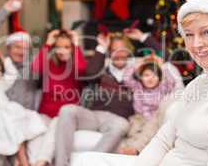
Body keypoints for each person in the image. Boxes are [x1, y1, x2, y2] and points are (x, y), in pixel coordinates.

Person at [71, 0, 208, 166]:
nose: (196, 44)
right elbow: (164, 138)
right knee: (84, 159)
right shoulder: (199, 83)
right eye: (189, 34)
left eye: (207, 32)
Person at [54, 29, 164, 166]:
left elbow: (162, 54)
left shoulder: (137, 74)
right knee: (67, 110)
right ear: (110, 52)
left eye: (122, 49)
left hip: (117, 120)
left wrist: (142, 37)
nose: (118, 53)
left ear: (129, 51)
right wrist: (101, 47)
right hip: (93, 115)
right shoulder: (101, 70)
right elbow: (89, 74)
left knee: (120, 124)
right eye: (114, 50)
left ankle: (89, 163)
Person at [0, 0, 41, 166]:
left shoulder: (33, 67)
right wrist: (6, 10)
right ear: (9, 47)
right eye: (18, 47)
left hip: (22, 122)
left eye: (26, 48)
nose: (21, 51)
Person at [0, 48, 46, 166]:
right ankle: (21, 161)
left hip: (3, 117)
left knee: (17, 128)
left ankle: (22, 161)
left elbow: (12, 74)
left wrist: (3, 59)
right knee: (12, 127)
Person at [28, 29, 87, 166]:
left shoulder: (76, 65)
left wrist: (76, 43)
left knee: (56, 124)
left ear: (72, 48)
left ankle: (41, 163)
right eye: (59, 47)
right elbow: (35, 69)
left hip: (64, 118)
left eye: (67, 47)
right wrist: (48, 43)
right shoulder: (49, 64)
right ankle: (34, 163)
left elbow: (82, 68)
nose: (62, 51)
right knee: (36, 134)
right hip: (45, 114)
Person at [118, 54, 184, 155]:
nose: (150, 78)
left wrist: (162, 65)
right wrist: (139, 63)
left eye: (154, 75)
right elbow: (126, 78)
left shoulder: (162, 87)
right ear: (141, 77)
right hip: (139, 118)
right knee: (133, 132)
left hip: (154, 119)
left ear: (159, 78)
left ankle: (136, 149)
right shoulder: (138, 87)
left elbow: (171, 81)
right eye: (146, 75)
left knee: (149, 132)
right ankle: (130, 149)